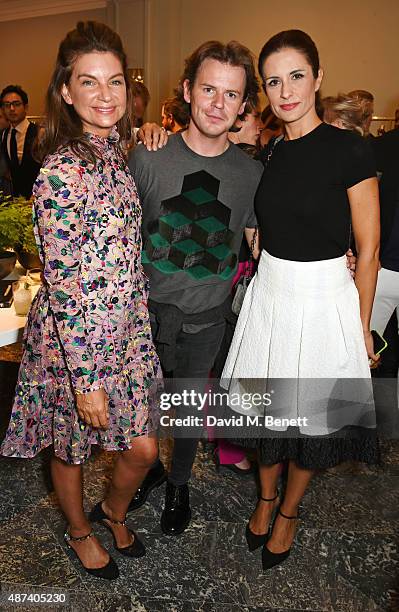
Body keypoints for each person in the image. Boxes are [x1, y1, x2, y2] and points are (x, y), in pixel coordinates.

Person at [0, 21, 161, 580]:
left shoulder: (115, 152)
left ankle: (112, 509)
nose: (105, 95)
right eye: (88, 83)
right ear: (66, 92)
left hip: (126, 331)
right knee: (69, 449)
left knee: (142, 449)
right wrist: (86, 380)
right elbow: (66, 284)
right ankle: (79, 529)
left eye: (114, 81)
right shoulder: (61, 171)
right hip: (77, 344)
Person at [221, 29, 380, 570]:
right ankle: (266, 498)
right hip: (270, 294)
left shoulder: (349, 149)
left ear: (318, 78)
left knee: (310, 421)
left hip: (323, 300)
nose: (285, 90)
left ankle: (289, 509)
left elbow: (371, 246)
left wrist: (360, 327)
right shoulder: (269, 153)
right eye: (273, 80)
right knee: (266, 416)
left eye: (296, 76)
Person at [128, 40, 263, 535]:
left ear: (243, 105)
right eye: (208, 88)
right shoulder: (148, 156)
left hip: (206, 317)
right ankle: (152, 468)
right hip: (145, 314)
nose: (217, 103)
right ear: (187, 90)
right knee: (141, 408)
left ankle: (179, 482)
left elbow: (262, 238)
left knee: (184, 412)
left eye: (230, 94)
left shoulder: (251, 174)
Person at [0, 85, 41, 198]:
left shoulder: (38, 133)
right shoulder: (4, 135)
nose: (12, 109)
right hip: (16, 202)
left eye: (16, 104)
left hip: (38, 199)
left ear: (26, 107)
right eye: (7, 105)